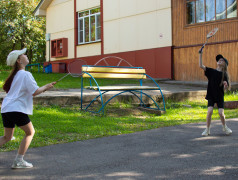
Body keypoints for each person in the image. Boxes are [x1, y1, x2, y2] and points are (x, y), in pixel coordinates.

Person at [0, 48, 56, 168]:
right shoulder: (25, 74)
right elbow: (35, 92)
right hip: (16, 109)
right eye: (23, 55)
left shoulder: (15, 75)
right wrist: (46, 86)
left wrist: (45, 87)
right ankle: (19, 161)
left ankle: (19, 160)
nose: (26, 55)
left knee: (7, 137)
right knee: (30, 132)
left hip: (6, 108)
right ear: (19, 60)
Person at [199, 50, 232, 136]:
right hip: (211, 95)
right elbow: (201, 65)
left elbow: (226, 87)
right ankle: (207, 129)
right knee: (209, 111)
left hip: (219, 96)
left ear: (225, 64)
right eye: (219, 60)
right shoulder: (211, 71)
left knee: (221, 113)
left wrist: (225, 85)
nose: (219, 61)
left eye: (222, 60)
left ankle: (225, 127)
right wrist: (200, 54)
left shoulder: (224, 74)